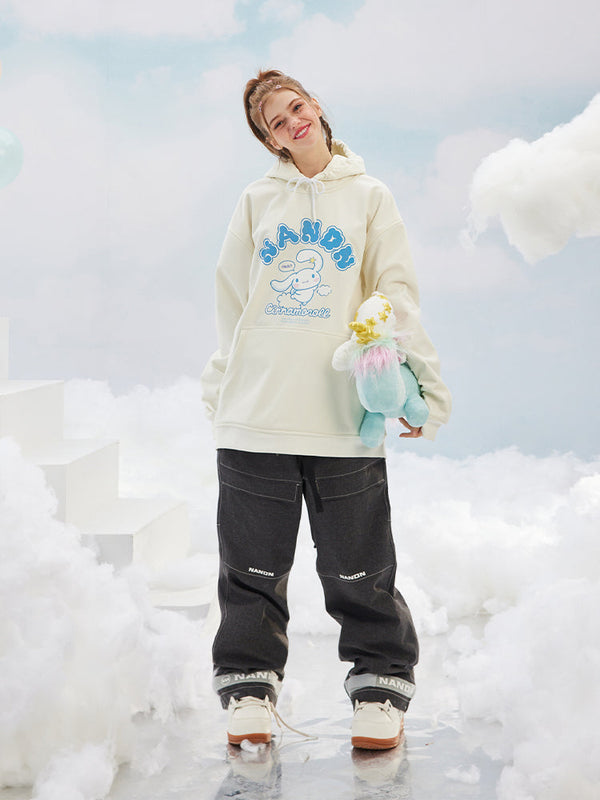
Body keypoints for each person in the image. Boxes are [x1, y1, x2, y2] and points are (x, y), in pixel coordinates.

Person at [201, 69, 451, 750]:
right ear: (271, 142)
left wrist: (425, 386)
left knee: (359, 569)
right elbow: (231, 303)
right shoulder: (257, 200)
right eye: (276, 123)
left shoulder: (370, 197)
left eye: (296, 107)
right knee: (251, 570)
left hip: (343, 417)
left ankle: (379, 692)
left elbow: (396, 295)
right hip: (257, 411)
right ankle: (248, 690)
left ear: (315, 105)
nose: (293, 122)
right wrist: (221, 386)